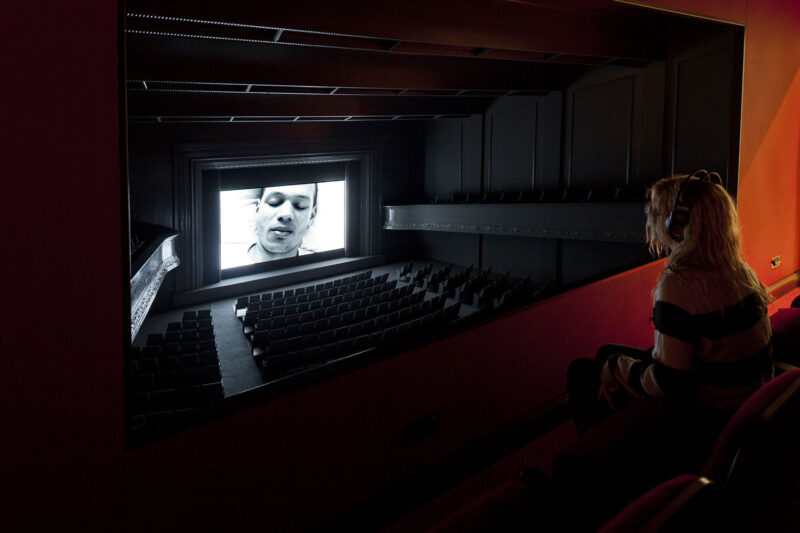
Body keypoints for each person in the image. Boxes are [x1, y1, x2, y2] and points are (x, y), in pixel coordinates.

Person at [568, 170, 773, 434]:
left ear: (676, 225)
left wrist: (617, 368)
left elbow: (669, 385)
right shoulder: (742, 271)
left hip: (709, 421)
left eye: (656, 212)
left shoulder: (680, 285)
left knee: (581, 372)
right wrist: (617, 364)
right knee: (608, 353)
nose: (650, 218)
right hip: (744, 410)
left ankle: (600, 457)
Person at [248, 183, 318, 262]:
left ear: (311, 216)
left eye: (300, 205)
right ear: (257, 209)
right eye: (274, 202)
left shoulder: (322, 265)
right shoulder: (231, 259)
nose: (286, 214)